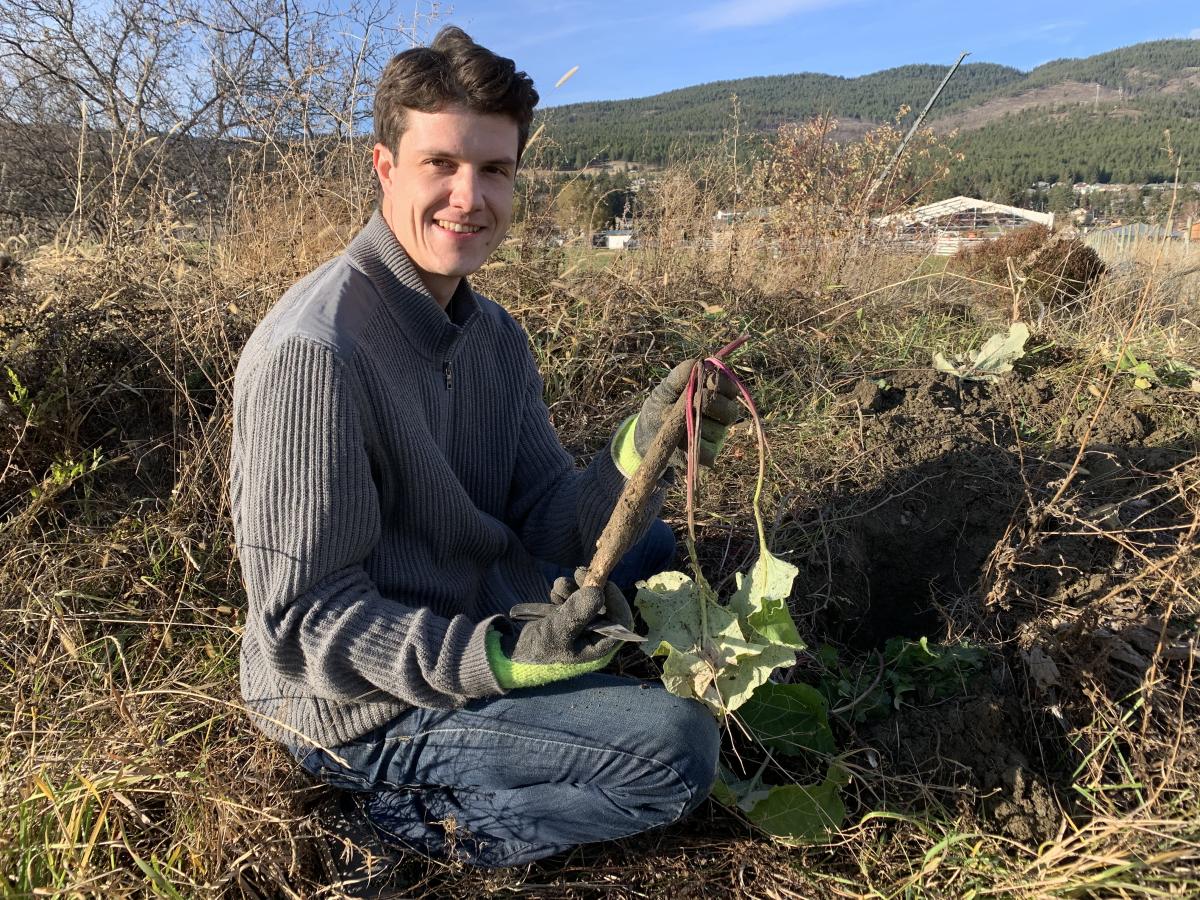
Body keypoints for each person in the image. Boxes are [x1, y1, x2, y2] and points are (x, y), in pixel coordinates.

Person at [229, 26, 740, 876]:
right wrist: (505, 658)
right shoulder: (316, 355)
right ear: (385, 168)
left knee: (648, 545)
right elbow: (303, 627)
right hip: (358, 708)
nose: (470, 198)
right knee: (673, 750)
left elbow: (548, 519)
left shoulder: (494, 335)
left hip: (470, 608)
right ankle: (399, 831)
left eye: (494, 170)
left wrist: (643, 450)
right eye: (442, 164)